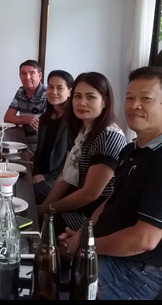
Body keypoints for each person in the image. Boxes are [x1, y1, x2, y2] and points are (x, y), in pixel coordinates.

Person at [58, 66, 162, 300]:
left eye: (146, 99)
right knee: (43, 256)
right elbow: (108, 203)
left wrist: (85, 246)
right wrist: (83, 235)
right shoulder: (132, 149)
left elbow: (143, 240)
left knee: (51, 277)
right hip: (109, 254)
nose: (134, 105)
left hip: (135, 275)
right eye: (130, 98)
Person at [37, 72, 127, 236]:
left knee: (43, 227)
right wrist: (44, 208)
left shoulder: (108, 136)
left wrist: (49, 210)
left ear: (105, 101)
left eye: (91, 97)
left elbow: (91, 194)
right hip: (79, 204)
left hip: (94, 214)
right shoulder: (81, 131)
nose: (82, 102)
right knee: (32, 208)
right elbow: (64, 178)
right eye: (77, 96)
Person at [32, 70, 74, 204]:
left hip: (58, 179)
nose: (53, 91)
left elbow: (70, 163)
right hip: (41, 173)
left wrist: (45, 176)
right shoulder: (46, 117)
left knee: (29, 192)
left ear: (70, 92)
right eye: (50, 87)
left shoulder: (73, 121)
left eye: (59, 88)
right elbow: (41, 151)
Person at [4, 60, 47, 150]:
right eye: (23, 73)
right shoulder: (21, 91)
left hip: (39, 146)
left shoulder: (47, 94)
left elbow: (47, 126)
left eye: (32, 73)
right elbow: (8, 117)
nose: (27, 77)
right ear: (20, 76)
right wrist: (27, 119)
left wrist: (20, 120)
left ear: (40, 76)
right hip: (21, 141)